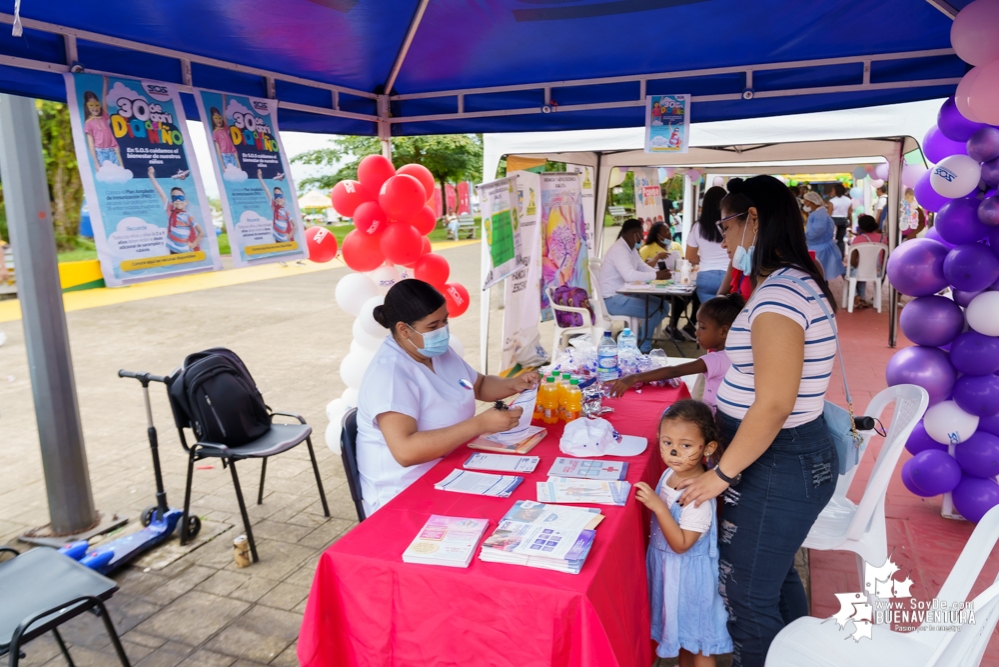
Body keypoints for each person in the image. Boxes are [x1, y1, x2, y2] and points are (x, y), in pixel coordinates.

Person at [676, 175, 838, 667]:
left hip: (778, 461)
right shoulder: (787, 282)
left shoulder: (780, 298)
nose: (721, 238)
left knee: (746, 595)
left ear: (754, 220)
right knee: (774, 579)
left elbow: (773, 404)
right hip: (777, 457)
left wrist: (719, 476)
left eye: (724, 225)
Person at [356, 280, 539, 515]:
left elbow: (478, 385)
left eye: (445, 321)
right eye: (433, 326)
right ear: (403, 329)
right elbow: (406, 451)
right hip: (405, 491)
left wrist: (513, 384)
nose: (442, 330)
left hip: (452, 466)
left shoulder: (435, 352)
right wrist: (481, 424)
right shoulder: (391, 374)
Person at [634, 400, 733, 666]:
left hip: (690, 581)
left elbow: (681, 544)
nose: (674, 451)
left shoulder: (697, 497)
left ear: (708, 448)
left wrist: (658, 506)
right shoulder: (670, 473)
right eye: (667, 443)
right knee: (684, 639)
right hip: (670, 574)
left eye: (685, 445)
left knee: (700, 646)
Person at [609, 294, 743, 413]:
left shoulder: (717, 359)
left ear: (723, 332)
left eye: (703, 327)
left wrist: (634, 378)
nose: (697, 332)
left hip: (717, 419)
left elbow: (673, 371)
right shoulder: (735, 354)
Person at [599, 219, 671, 353]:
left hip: (624, 294)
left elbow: (642, 266)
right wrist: (656, 276)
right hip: (612, 300)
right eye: (640, 234)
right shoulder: (619, 250)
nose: (643, 237)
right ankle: (644, 346)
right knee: (655, 309)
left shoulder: (630, 249)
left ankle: (639, 338)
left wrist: (659, 273)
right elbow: (630, 276)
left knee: (664, 306)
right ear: (634, 234)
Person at [686, 186, 730, 305]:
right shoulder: (731, 224)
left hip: (706, 276)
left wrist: (707, 259)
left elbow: (690, 257)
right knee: (728, 316)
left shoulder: (697, 227)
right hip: (730, 275)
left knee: (710, 317)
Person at [148, 167, 204, 254]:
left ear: (185, 202)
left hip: (185, 251)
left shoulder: (188, 216)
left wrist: (193, 244)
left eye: (180, 198)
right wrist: (151, 175)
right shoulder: (170, 210)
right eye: (175, 198)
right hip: (172, 249)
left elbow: (201, 232)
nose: (178, 200)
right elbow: (161, 193)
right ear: (172, 202)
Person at [802, 191, 844, 281]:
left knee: (818, 275)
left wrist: (803, 237)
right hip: (822, 246)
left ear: (810, 201)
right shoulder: (821, 213)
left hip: (818, 249)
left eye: (805, 200)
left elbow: (816, 231)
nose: (804, 202)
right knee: (822, 275)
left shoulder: (818, 215)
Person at [83, 77, 123, 169]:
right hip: (100, 152)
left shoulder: (104, 116)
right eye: (91, 105)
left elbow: (104, 99)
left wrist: (105, 84)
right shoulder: (88, 123)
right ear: (87, 107)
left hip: (112, 150)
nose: (95, 108)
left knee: (117, 173)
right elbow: (90, 144)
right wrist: (95, 162)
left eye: (96, 104)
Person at [848, 214, 886, 308]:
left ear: (860, 227)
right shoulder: (883, 238)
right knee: (859, 274)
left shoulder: (858, 239)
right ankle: (862, 299)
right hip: (877, 271)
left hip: (861, 271)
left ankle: (857, 295)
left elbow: (852, 262)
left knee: (848, 271)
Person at [258, 169, 296, 243]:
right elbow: (266, 190)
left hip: (284, 239)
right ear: (274, 200)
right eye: (276, 196)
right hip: (276, 238)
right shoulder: (274, 208)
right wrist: (260, 177)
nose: (278, 198)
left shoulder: (286, 212)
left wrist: (290, 235)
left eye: (280, 196)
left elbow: (294, 225)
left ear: (284, 199)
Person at [210, 104, 241, 172]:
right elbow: (218, 149)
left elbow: (224, 115)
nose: (218, 120)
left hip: (233, 153)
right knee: (231, 173)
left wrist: (224, 101)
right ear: (213, 120)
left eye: (219, 117)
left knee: (238, 171)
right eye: (215, 118)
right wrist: (222, 164)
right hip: (225, 155)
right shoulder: (215, 133)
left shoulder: (225, 128)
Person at [828, 183, 853, 254]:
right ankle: (841, 255)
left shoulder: (832, 201)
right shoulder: (848, 200)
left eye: (832, 190)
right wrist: (851, 223)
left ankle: (832, 254)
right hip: (844, 220)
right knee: (840, 240)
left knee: (832, 239)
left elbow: (829, 214)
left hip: (833, 220)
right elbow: (849, 213)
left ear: (836, 191)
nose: (831, 192)